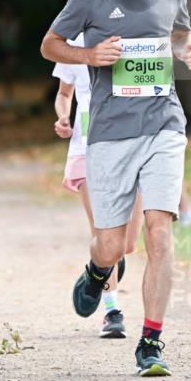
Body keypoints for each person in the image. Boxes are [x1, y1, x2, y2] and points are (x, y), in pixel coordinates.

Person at [41, 0, 191, 377]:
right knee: (113, 246)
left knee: (159, 230)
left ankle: (150, 341)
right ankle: (97, 272)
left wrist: (189, 51)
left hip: (163, 124)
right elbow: (50, 43)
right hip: (110, 133)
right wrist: (91, 58)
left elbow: (180, 34)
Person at [53, 31, 143, 339]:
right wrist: (63, 118)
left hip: (131, 143)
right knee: (103, 233)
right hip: (88, 147)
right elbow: (64, 94)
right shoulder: (74, 42)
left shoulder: (134, 37)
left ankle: (99, 267)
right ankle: (112, 310)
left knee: (126, 244)